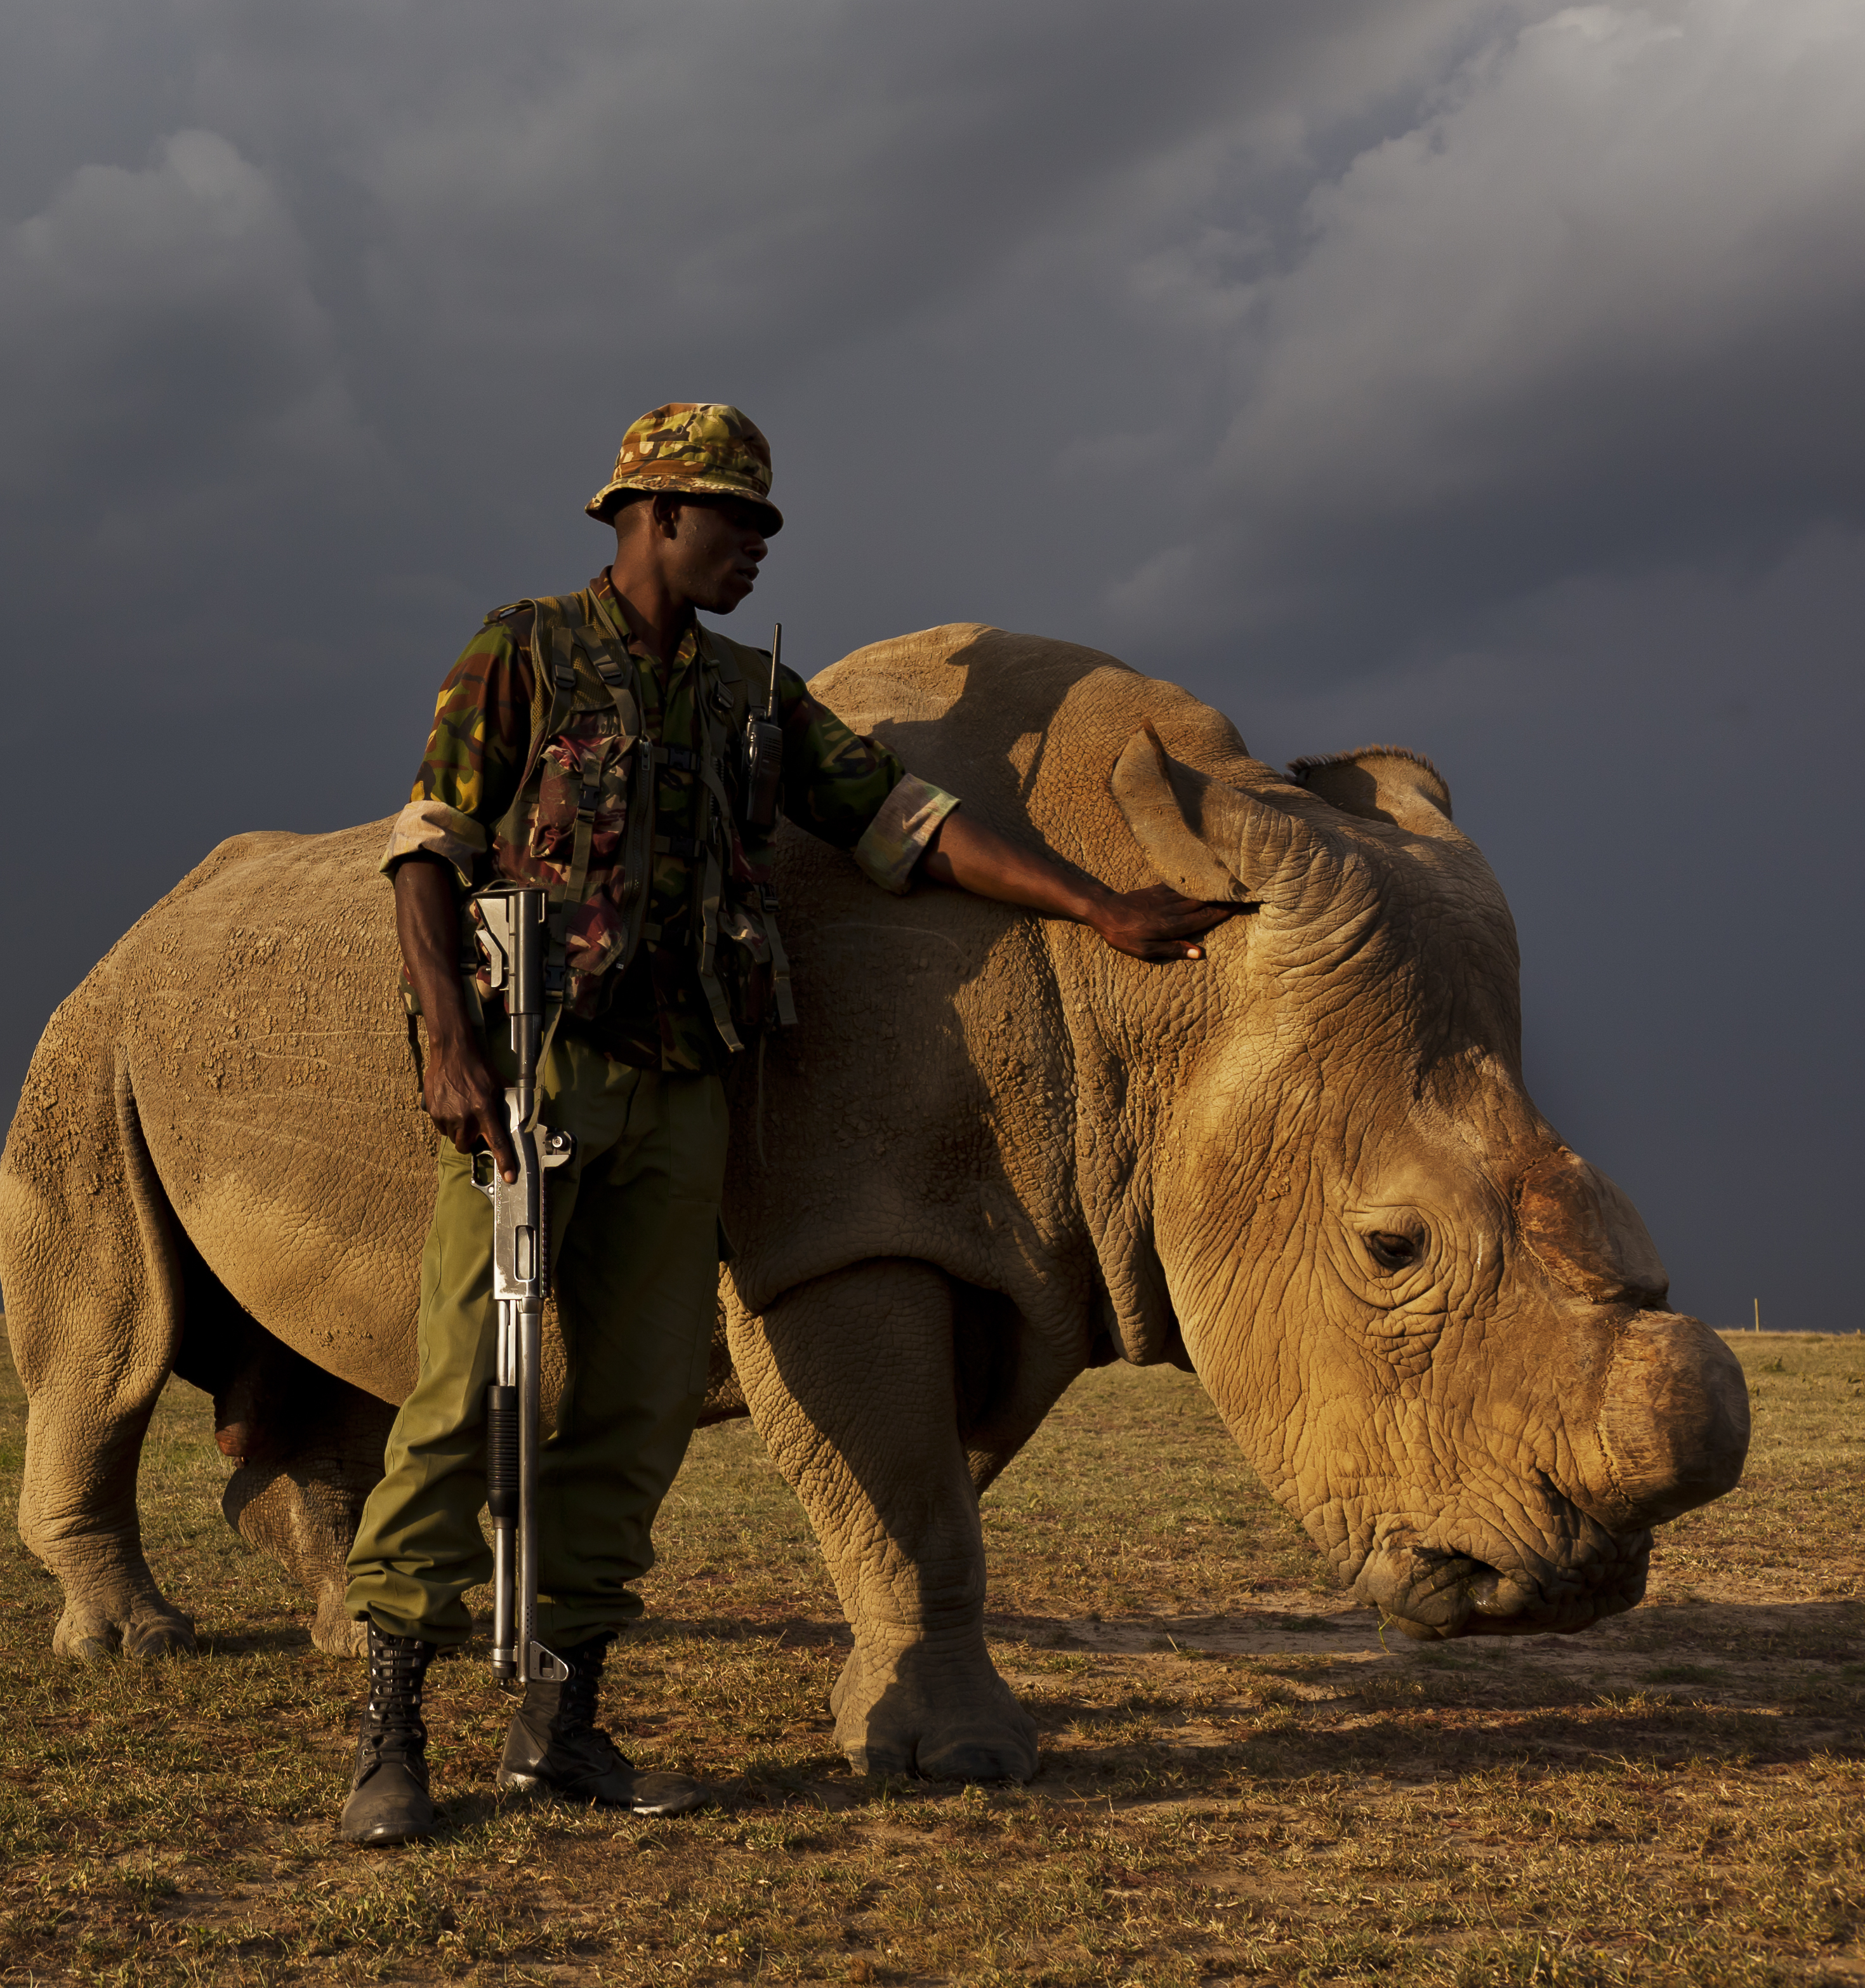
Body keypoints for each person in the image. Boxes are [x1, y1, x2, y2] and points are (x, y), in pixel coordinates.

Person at [336, 403, 1230, 1846]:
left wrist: (1101, 905)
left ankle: (561, 1732)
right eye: (734, 522)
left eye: (763, 527)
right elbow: (428, 850)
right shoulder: (525, 653)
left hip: (691, 1094)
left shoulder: (758, 697)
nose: (756, 549)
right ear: (652, 515)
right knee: (472, 1400)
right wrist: (448, 1042)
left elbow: (905, 820)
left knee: (633, 1421)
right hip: (536, 1076)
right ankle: (391, 1733)